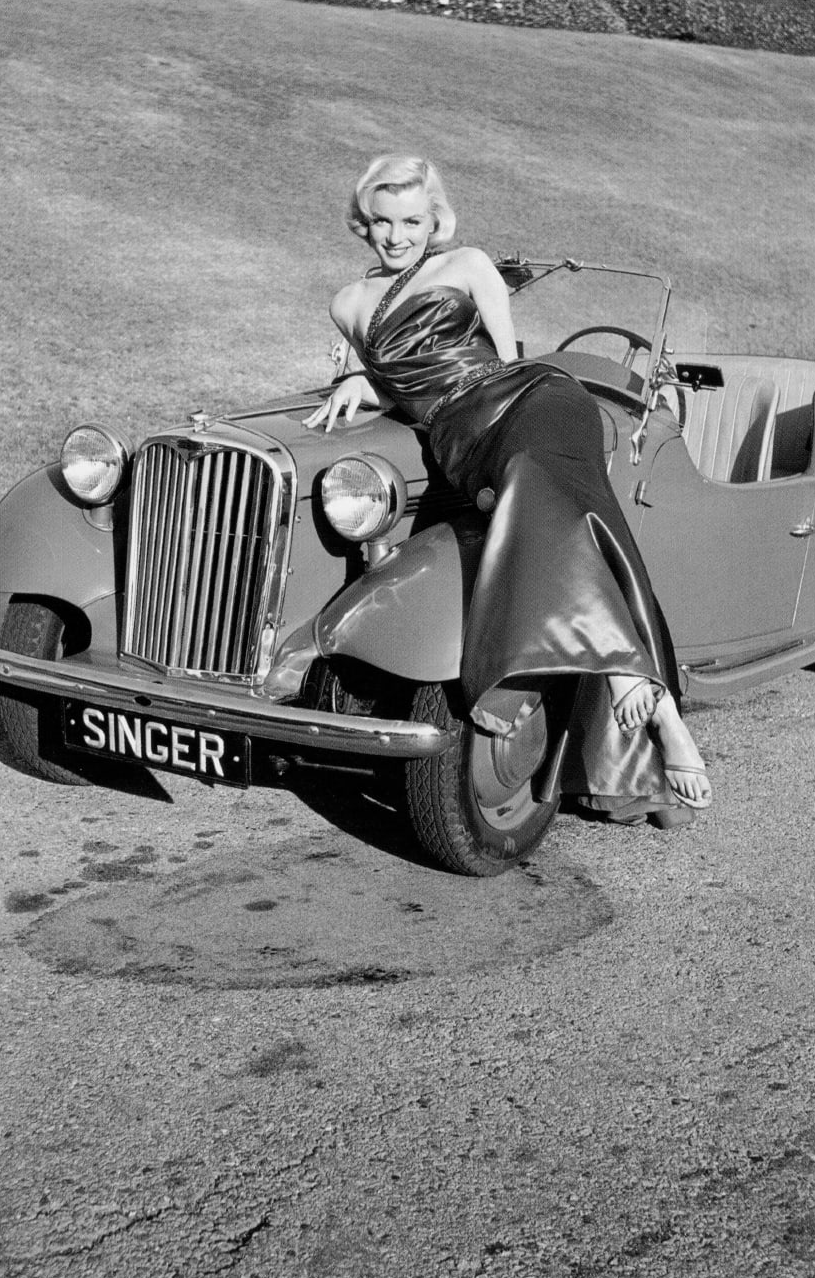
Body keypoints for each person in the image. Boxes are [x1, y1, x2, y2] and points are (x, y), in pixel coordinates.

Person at [304, 154, 712, 823]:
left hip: (535, 399)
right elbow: (402, 381)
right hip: (457, 433)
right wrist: (360, 381)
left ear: (434, 220)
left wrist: (376, 378)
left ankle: (636, 686)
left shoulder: (467, 264)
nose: (397, 236)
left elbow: (505, 359)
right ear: (362, 223)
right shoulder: (346, 303)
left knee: (534, 483)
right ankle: (645, 686)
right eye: (382, 221)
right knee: (549, 508)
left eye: (412, 221)